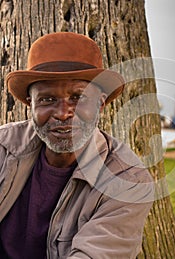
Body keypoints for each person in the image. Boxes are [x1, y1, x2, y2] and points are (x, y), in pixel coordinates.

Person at [0, 32, 154, 258]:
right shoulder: (3, 148)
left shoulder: (128, 180)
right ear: (30, 106)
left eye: (78, 98)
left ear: (100, 104)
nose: (63, 114)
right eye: (47, 100)